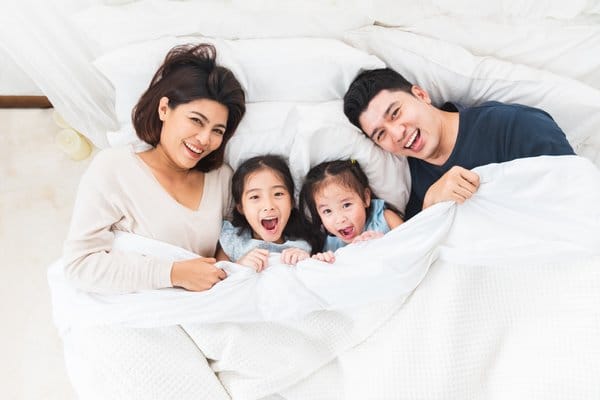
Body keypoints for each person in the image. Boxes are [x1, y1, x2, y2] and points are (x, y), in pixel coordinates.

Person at [62, 43, 246, 293]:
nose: (204, 139)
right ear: (164, 109)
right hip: (140, 310)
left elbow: (232, 246)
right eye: (195, 120)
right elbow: (79, 265)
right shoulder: (114, 168)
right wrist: (173, 273)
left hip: (205, 307)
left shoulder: (222, 178)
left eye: (217, 131)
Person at [343, 68, 575, 220]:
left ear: (421, 94)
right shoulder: (415, 191)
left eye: (395, 113)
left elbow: (575, 194)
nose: (397, 133)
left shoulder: (514, 125)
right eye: (380, 134)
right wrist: (431, 207)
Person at [217, 155, 313, 271]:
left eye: (278, 194)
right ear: (241, 207)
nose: (269, 206)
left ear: (292, 202)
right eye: (255, 196)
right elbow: (219, 282)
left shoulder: (303, 245)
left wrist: (307, 262)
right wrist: (238, 266)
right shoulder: (233, 243)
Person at [299, 159, 404, 263]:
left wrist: (383, 243)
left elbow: (410, 243)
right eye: (327, 211)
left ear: (365, 198)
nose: (340, 219)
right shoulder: (330, 247)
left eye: (346, 205)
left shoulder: (386, 218)